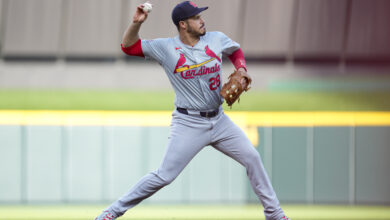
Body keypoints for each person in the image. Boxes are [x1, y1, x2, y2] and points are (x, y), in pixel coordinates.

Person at [95, 1, 289, 220]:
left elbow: (235, 51)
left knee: (252, 157)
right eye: (196, 18)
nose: (202, 20)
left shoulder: (215, 39)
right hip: (188, 123)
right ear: (183, 24)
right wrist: (136, 24)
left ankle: (275, 214)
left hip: (219, 120)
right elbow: (128, 47)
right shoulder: (165, 47)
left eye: (200, 16)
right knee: (164, 176)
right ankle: (111, 212)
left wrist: (241, 68)